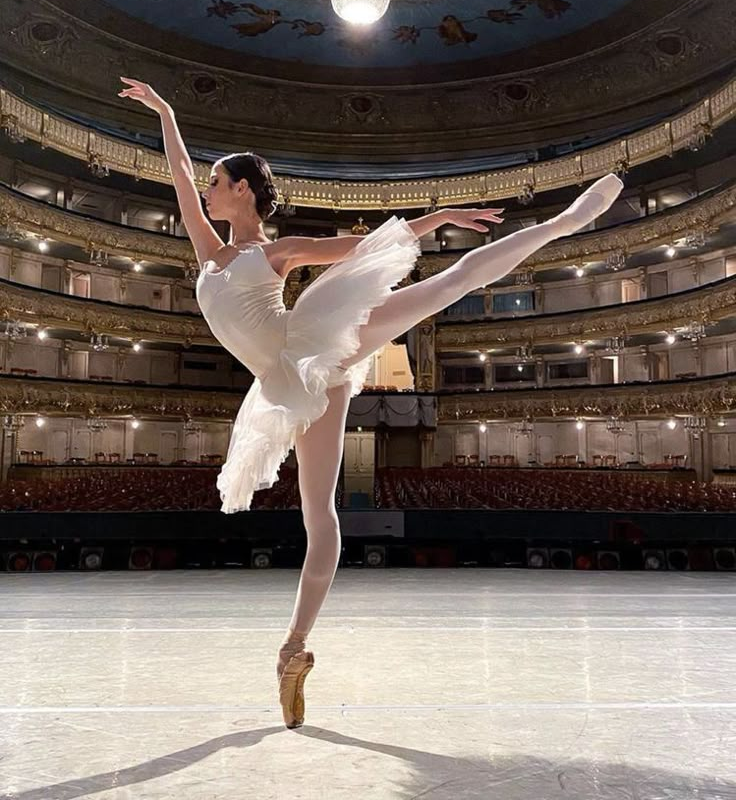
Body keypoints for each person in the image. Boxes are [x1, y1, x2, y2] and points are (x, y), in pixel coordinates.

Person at [118, 77, 624, 728]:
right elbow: (180, 171)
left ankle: (563, 222)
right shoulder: (207, 250)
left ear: (242, 189)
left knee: (451, 280)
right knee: (318, 515)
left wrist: (435, 219)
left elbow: (367, 248)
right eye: (209, 184)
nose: (206, 191)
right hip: (288, 386)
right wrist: (164, 109)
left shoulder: (277, 251)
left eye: (219, 182)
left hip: (313, 344)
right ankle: (294, 647)